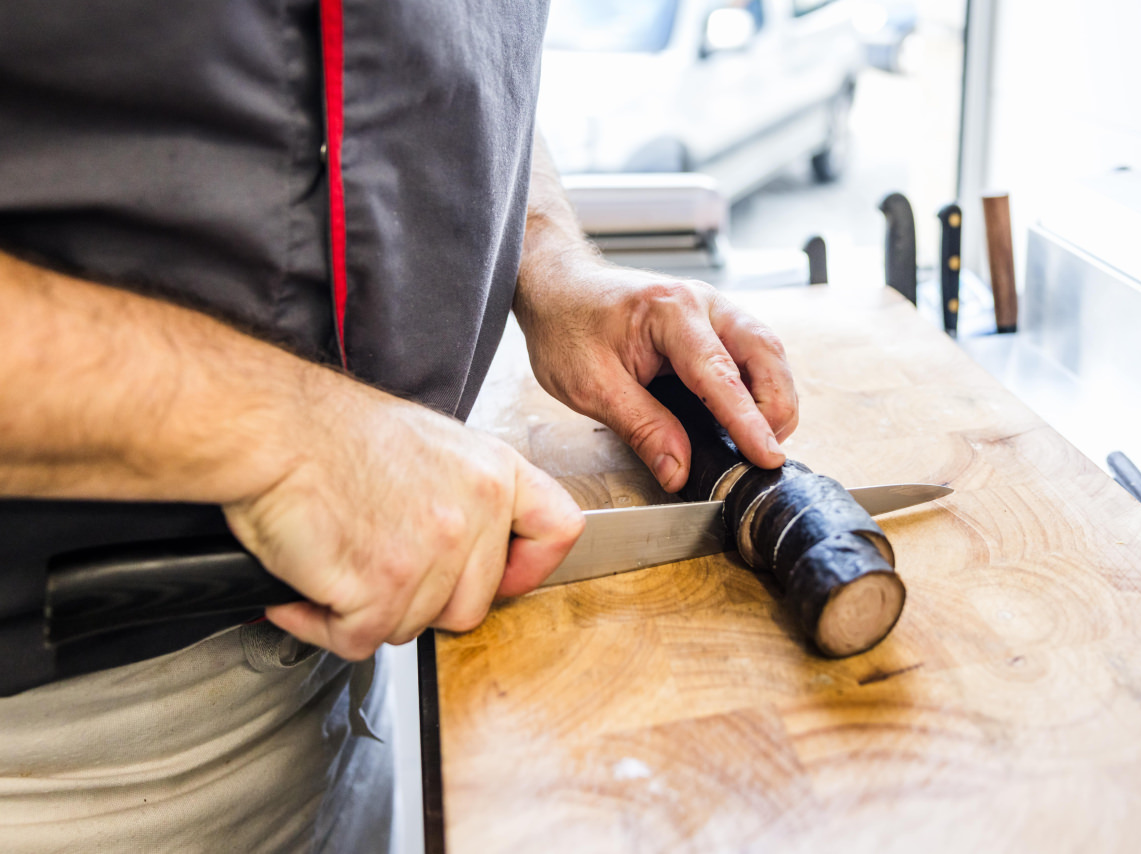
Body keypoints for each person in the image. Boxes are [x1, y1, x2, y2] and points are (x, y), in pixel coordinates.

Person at [0, 1, 797, 850]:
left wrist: (551, 261)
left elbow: (454, 60)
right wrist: (289, 429)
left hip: (345, 684)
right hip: (57, 759)